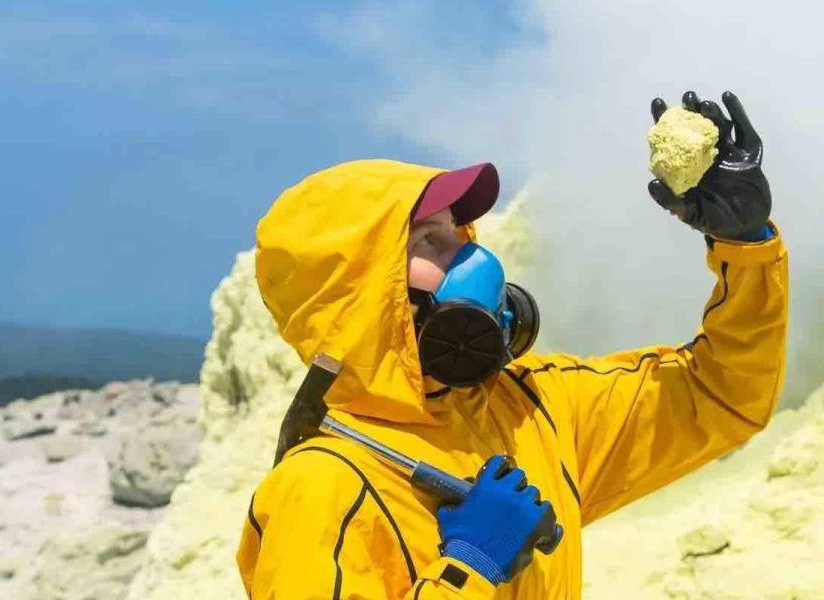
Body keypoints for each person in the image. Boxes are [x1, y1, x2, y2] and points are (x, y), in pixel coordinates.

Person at [236, 90, 789, 599]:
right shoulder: (321, 490)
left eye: (455, 229)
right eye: (428, 239)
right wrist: (469, 568)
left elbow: (721, 395)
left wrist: (744, 246)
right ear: (357, 292)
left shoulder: (535, 410)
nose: (469, 254)